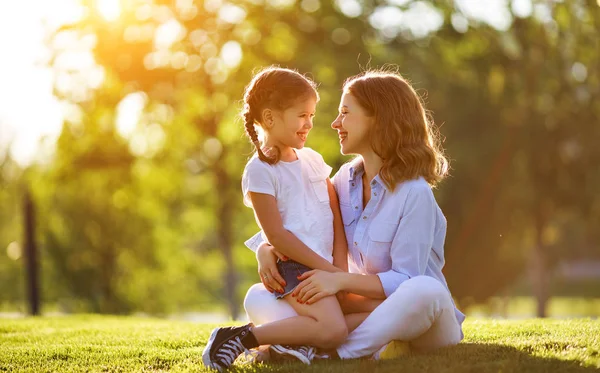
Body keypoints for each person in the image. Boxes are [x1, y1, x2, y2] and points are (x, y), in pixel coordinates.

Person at [243, 69, 466, 361]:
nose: (335, 123)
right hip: (360, 307)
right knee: (257, 295)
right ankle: (346, 344)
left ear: (380, 119)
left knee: (425, 289)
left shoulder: (415, 192)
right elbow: (309, 221)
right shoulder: (343, 180)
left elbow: (404, 280)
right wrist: (265, 247)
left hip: (418, 316)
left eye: (345, 113)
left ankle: (328, 351)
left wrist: (339, 281)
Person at [202, 67, 354, 372]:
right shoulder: (260, 171)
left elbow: (334, 215)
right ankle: (241, 337)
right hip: (296, 270)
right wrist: (329, 273)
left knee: (372, 308)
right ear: (270, 118)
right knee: (335, 329)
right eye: (302, 115)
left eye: (312, 115)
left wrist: (340, 270)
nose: (309, 123)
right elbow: (277, 235)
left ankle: (291, 344)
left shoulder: (313, 160)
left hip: (327, 267)